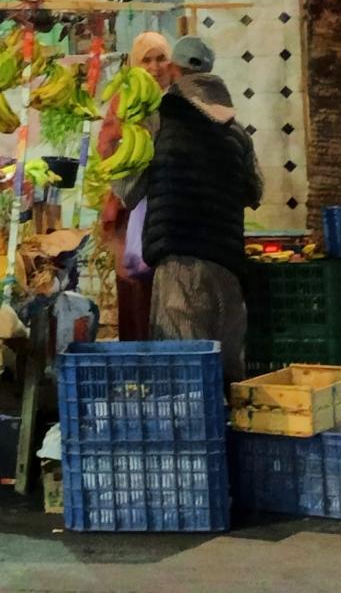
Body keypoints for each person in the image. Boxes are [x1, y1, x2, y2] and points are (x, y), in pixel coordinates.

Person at [140, 36, 263, 385]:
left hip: (180, 263)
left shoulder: (158, 121)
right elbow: (255, 191)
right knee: (227, 377)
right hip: (227, 268)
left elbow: (128, 188)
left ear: (173, 69)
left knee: (182, 377)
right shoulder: (237, 132)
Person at [96, 31, 174, 340]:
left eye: (161, 59)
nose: (154, 68)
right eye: (147, 60)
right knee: (135, 291)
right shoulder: (123, 102)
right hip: (130, 211)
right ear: (134, 64)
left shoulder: (179, 101)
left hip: (169, 210)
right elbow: (107, 149)